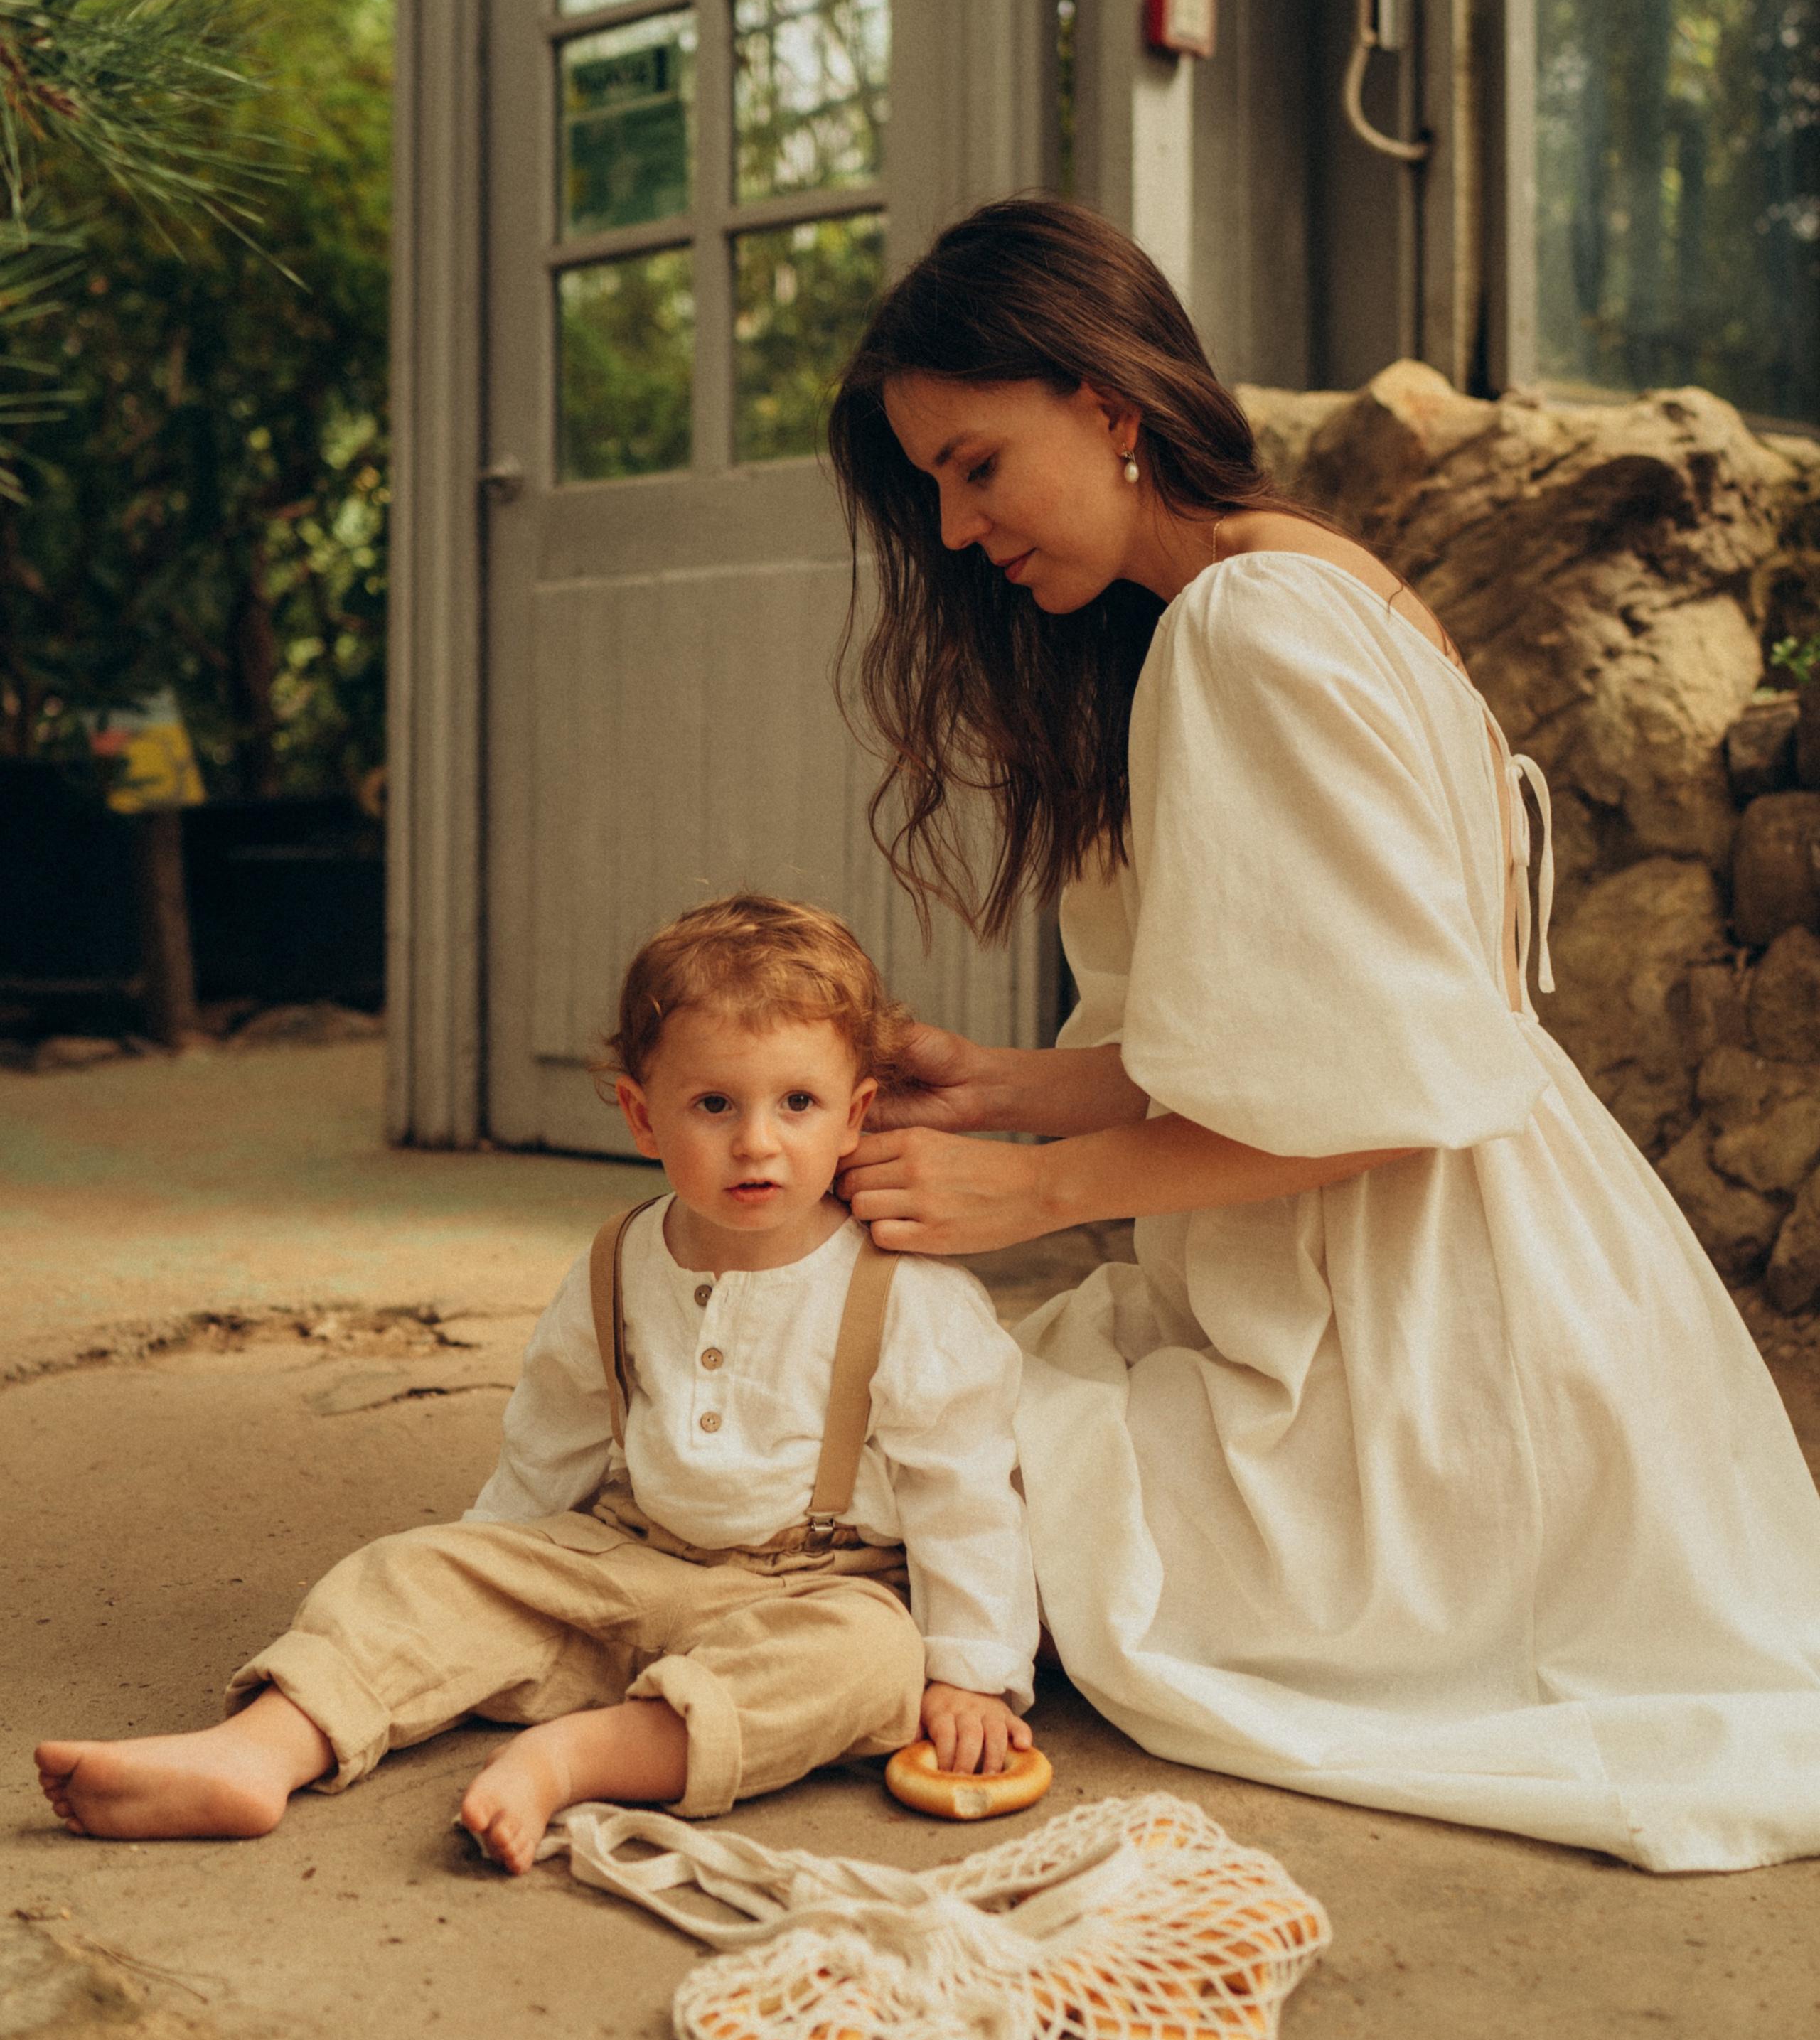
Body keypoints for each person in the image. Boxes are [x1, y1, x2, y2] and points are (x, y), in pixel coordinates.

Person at [825, 193, 1820, 1876]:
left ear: (1106, 403)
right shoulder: (1305, 589)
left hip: (1428, 1352)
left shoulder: (1244, 626)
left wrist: (1031, 1191)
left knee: (917, 1472)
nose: (951, 525)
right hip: (1494, 1282)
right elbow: (1274, 1028)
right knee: (949, 1434)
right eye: (929, 484)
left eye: (975, 464)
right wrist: (998, 1088)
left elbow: (1378, 1091)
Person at [36, 896, 1038, 1873]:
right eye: (714, 1104)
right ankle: (262, 1748)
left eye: (798, 1104)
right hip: (625, 1550)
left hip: (817, 1584)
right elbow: (550, 1437)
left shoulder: (903, 1289)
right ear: (642, 1115)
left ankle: (578, 1758)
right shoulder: (616, 1260)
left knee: (866, 1667)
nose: (757, 1142)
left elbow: (962, 1485)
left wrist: (974, 1673)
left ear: (856, 1113)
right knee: (414, 1571)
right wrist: (494, 1573)